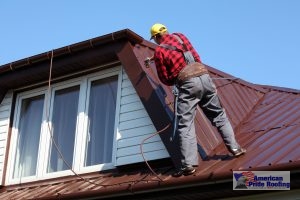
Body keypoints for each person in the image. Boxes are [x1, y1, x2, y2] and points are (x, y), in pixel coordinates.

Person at [149, 23, 246, 177]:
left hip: (188, 83)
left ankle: (188, 165)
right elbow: (197, 57)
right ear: (166, 31)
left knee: (185, 124)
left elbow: (164, 78)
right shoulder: (180, 36)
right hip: (205, 77)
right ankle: (235, 148)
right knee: (219, 115)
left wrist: (177, 78)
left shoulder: (160, 51)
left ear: (156, 37)